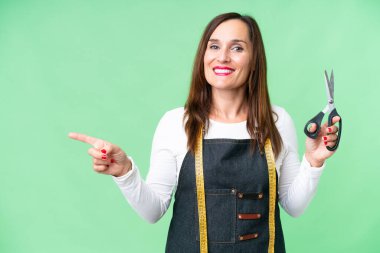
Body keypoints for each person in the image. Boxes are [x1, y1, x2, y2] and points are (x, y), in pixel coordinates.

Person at [69, 12, 340, 253]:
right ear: (203, 56)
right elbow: (153, 212)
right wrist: (125, 171)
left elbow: (294, 206)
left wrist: (314, 162)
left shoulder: (277, 121)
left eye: (237, 48)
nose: (222, 57)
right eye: (214, 46)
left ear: (255, 60)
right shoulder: (175, 122)